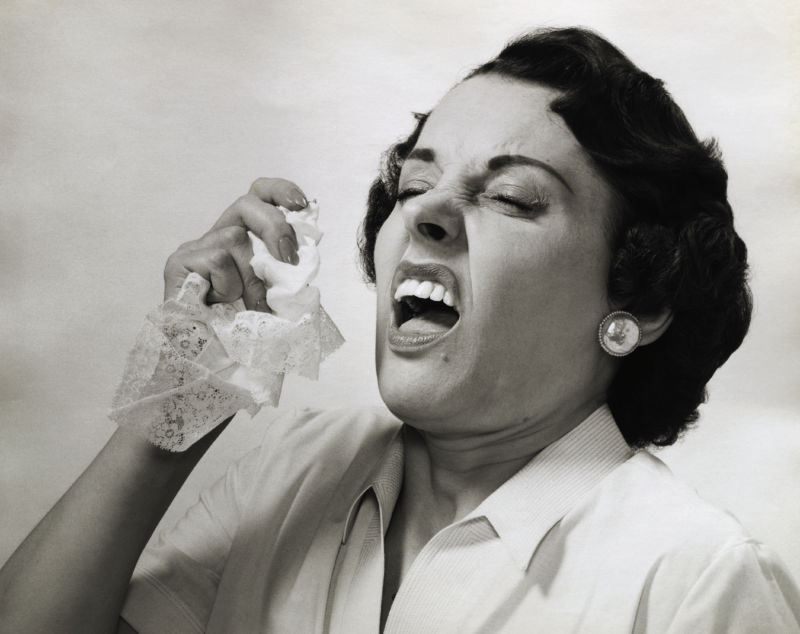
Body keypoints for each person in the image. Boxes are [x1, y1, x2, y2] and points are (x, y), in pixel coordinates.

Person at [1, 26, 798, 633]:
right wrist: (177, 400)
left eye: (514, 198)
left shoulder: (697, 579)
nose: (427, 212)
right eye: (416, 182)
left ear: (640, 301)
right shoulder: (298, 466)